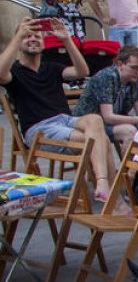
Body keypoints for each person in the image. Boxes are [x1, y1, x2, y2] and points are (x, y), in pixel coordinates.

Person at [0, 17, 113, 200]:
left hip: (65, 121)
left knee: (95, 119)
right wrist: (18, 35)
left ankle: (103, 185)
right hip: (40, 129)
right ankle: (110, 194)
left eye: (37, 36)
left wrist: (67, 40)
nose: (33, 39)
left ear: (44, 42)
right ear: (18, 43)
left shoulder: (50, 68)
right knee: (99, 141)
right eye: (27, 36)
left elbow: (82, 72)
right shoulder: (14, 72)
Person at [71, 44, 138, 150]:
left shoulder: (134, 80)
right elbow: (108, 117)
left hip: (110, 123)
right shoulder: (107, 77)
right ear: (120, 64)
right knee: (129, 131)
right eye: (134, 68)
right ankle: (129, 167)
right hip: (87, 124)